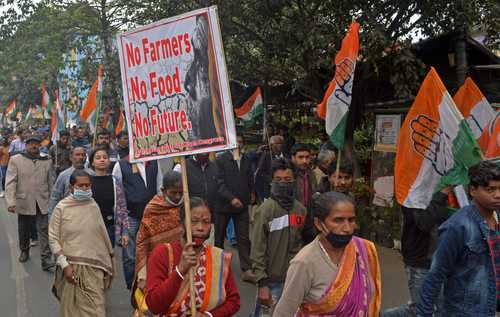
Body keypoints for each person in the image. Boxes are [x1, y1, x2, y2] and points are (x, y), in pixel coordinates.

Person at [274, 192, 381, 316]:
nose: (347, 228)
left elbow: (370, 300)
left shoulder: (364, 250)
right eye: (338, 220)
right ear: (319, 224)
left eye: (351, 220)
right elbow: (284, 312)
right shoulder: (304, 262)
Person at [417, 161, 500, 316]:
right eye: (490, 189)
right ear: (473, 190)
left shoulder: (497, 218)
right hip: (462, 311)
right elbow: (436, 274)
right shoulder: (457, 226)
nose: (498, 195)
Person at [145, 197, 240, 316]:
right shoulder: (163, 253)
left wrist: (209, 316)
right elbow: (154, 305)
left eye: (206, 222)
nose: (200, 228)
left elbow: (234, 301)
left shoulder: (218, 258)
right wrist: (180, 271)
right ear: (181, 224)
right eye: (194, 221)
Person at [49, 170, 114, 317]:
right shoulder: (62, 208)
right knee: (71, 310)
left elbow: (101, 236)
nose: (85, 189)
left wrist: (108, 258)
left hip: (94, 268)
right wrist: (64, 265)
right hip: (71, 268)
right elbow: (53, 238)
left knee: (96, 309)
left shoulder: (93, 206)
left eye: (87, 185)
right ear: (72, 187)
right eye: (81, 186)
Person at [381, 187, 452, 317]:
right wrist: (442, 194)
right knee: (419, 308)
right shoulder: (413, 193)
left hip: (443, 261)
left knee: (443, 308)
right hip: (421, 262)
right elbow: (425, 222)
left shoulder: (451, 191)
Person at [251, 158, 307, 316]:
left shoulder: (301, 210)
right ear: (271, 181)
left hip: (294, 281)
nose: (283, 183)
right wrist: (262, 284)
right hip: (271, 282)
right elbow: (257, 250)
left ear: (294, 181)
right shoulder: (265, 211)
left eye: (287, 180)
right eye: (278, 179)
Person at [112, 157, 163, 289]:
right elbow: (117, 196)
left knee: (153, 252)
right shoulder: (121, 165)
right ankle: (132, 287)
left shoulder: (154, 162)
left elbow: (159, 189)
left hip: (151, 216)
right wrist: (120, 223)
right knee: (129, 255)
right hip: (129, 217)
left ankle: (150, 285)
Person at [5, 134, 54, 269]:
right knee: (24, 229)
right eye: (30, 143)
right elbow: (10, 182)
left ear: (40, 145)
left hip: (42, 200)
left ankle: (46, 258)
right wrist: (11, 202)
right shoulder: (16, 160)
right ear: (26, 145)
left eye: (36, 143)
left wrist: (53, 201)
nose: (33, 146)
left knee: (44, 229)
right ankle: (24, 250)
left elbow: (51, 182)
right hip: (24, 200)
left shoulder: (47, 160)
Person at [133, 171, 184, 300]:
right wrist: (142, 273)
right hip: (159, 265)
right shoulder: (152, 208)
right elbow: (142, 242)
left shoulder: (187, 206)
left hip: (183, 262)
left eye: (181, 192)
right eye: (173, 193)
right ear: (163, 190)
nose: (178, 197)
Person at [215, 135, 254, 281]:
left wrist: (252, 193)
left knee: (243, 238)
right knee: (219, 239)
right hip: (223, 206)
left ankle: (247, 269)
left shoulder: (246, 159)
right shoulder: (220, 159)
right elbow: (219, 183)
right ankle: (217, 268)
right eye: (236, 142)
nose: (239, 145)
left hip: (242, 206)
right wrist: (231, 198)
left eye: (241, 142)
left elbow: (250, 177)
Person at [88, 146, 129, 247]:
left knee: (109, 258)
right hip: (90, 228)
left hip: (110, 227)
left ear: (109, 161)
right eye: (98, 158)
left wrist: (124, 232)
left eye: (105, 157)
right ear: (92, 162)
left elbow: (122, 207)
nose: (102, 160)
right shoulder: (87, 182)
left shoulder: (115, 181)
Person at [48, 147, 94, 215]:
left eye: (83, 155)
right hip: (68, 213)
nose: (81, 157)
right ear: (71, 157)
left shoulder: (92, 174)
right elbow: (55, 197)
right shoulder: (63, 175)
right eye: (77, 155)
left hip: (88, 212)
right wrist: (51, 216)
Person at [254, 135, 285, 202]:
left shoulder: (286, 156)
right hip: (269, 190)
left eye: (280, 143)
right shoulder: (266, 155)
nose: (279, 145)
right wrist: (271, 180)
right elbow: (261, 172)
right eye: (276, 144)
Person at [291, 143, 317, 210]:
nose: (304, 161)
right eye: (300, 157)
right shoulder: (288, 176)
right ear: (293, 158)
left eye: (307, 157)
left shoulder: (312, 174)